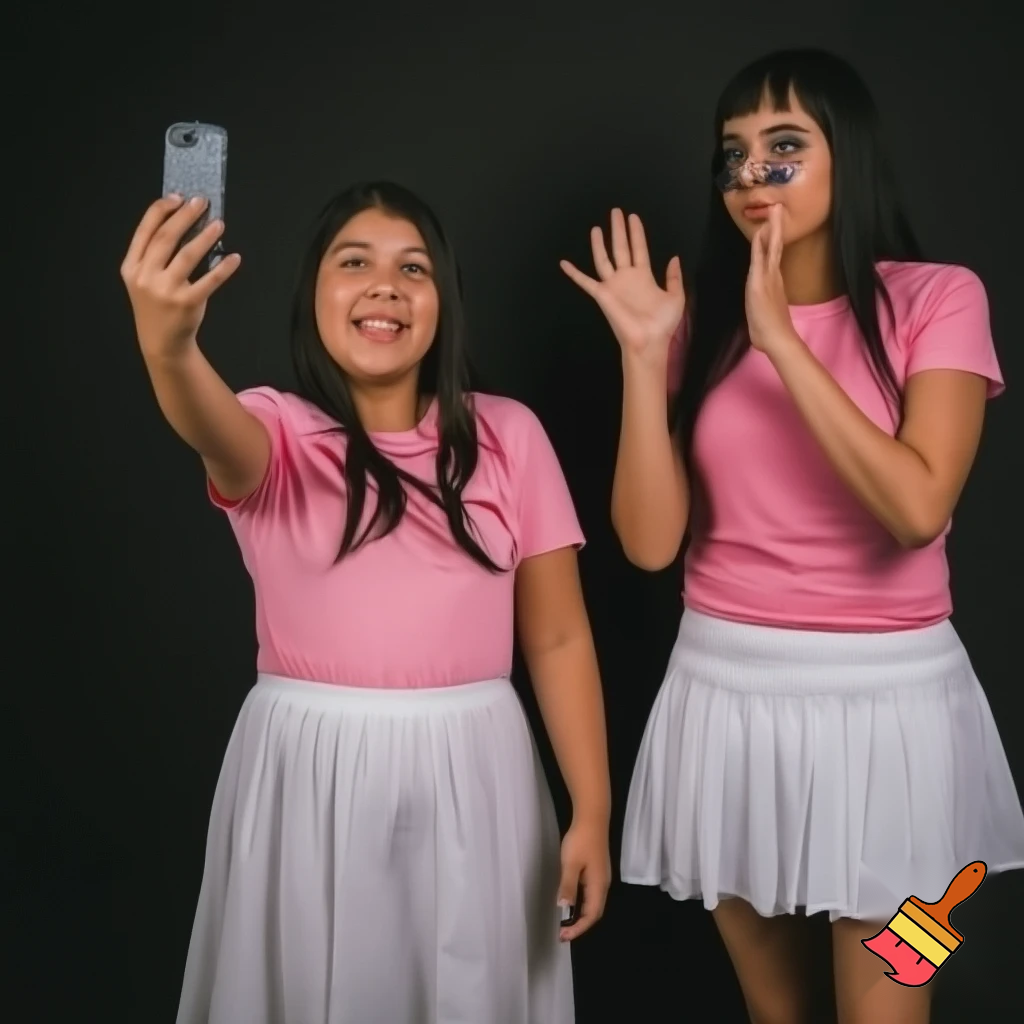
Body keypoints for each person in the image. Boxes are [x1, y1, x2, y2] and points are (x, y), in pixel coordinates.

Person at [561, 48, 1024, 1024]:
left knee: (895, 1003)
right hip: (723, 706)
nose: (749, 175)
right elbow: (649, 546)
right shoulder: (702, 323)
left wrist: (782, 338)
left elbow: (916, 506)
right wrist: (646, 362)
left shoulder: (939, 297)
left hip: (895, 720)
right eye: (731, 155)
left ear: (844, 157)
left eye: (782, 147)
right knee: (778, 1015)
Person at [120, 180, 612, 1024]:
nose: (385, 285)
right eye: (355, 263)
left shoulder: (510, 435)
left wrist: (593, 809)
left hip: (479, 772)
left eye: (412, 268)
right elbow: (204, 421)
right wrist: (169, 346)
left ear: (443, 303)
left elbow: (560, 638)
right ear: (314, 291)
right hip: (308, 774)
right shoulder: (270, 433)